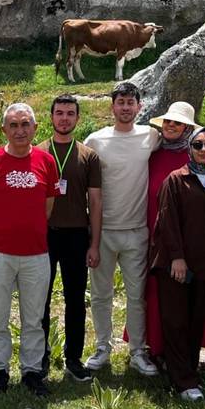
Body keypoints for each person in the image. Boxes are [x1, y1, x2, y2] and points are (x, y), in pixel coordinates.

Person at [0, 103, 59, 396]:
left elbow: (47, 207)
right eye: (13, 125)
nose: (20, 130)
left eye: (25, 124)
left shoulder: (46, 162)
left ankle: (32, 371)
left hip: (36, 254)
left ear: (35, 128)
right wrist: (0, 231)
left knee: (33, 318)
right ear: (4, 129)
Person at [84, 81, 160, 375]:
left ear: (140, 107)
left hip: (137, 231)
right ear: (112, 106)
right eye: (121, 102)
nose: (126, 108)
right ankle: (103, 347)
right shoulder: (96, 140)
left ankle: (138, 350)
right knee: (101, 295)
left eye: (131, 103)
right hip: (103, 232)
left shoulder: (151, 136)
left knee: (136, 295)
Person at [149, 126, 205, 401]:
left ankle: (189, 370)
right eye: (198, 145)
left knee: (195, 319)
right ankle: (182, 382)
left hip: (203, 262)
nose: (203, 150)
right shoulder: (176, 179)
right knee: (176, 320)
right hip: (176, 262)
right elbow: (167, 222)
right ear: (189, 148)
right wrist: (177, 258)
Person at [35, 94, 101, 382]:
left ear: (77, 118)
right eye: (59, 113)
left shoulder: (89, 156)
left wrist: (95, 243)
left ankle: (73, 358)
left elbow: (96, 203)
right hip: (43, 236)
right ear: (51, 117)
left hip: (76, 235)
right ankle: (40, 357)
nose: (64, 118)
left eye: (70, 113)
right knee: (41, 300)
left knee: (75, 300)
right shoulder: (37, 153)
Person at [143, 100, 199, 365]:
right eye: (168, 121)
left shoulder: (196, 157)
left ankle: (177, 349)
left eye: (178, 123)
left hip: (182, 239)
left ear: (187, 128)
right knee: (153, 291)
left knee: (180, 296)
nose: (171, 126)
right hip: (151, 234)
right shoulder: (152, 154)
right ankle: (153, 347)